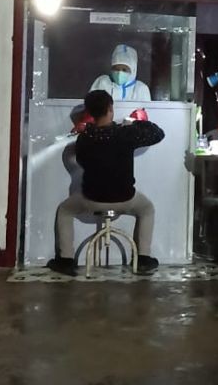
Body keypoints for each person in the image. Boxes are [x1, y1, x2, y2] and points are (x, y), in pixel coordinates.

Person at [48, 90, 164, 276]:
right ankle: (143, 259)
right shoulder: (126, 134)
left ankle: (66, 260)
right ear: (110, 108)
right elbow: (158, 134)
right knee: (147, 209)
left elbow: (80, 161)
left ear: (90, 113)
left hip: (91, 198)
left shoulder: (84, 138)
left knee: (65, 210)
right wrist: (137, 122)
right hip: (125, 197)